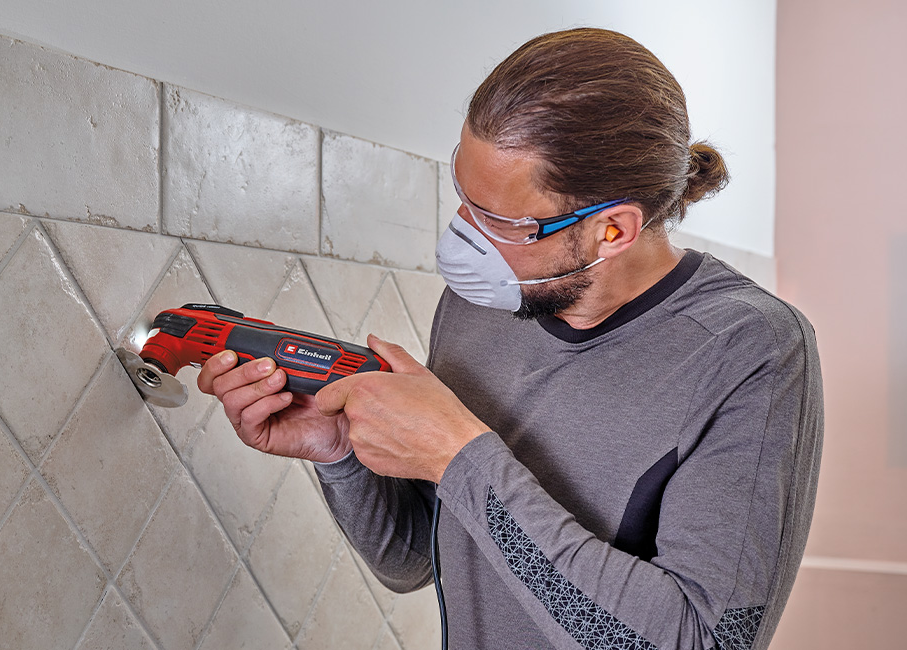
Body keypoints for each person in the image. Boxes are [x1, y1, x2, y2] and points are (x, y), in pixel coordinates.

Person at [197, 28, 823, 650]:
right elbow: (415, 560)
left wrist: (458, 456)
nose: (461, 239)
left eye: (497, 221)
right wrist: (342, 455)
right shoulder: (478, 308)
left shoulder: (750, 349)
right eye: (464, 199)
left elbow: (702, 643)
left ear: (613, 230)